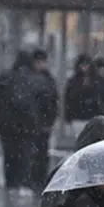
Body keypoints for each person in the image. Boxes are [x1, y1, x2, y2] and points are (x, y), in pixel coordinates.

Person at [0, 50, 41, 197]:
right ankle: (23, 183)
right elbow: (45, 101)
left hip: (7, 123)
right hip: (27, 123)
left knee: (9, 154)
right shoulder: (34, 78)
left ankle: (11, 184)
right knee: (25, 153)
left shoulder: (5, 77)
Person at [29, 48, 60, 193]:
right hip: (34, 123)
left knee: (41, 153)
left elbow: (53, 102)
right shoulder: (39, 80)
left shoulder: (47, 80)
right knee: (35, 153)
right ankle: (36, 180)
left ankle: (39, 180)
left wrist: (50, 121)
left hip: (42, 123)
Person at [64, 54, 103, 136]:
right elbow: (69, 99)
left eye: (87, 64)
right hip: (78, 115)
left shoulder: (96, 80)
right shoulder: (73, 81)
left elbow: (100, 96)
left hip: (92, 115)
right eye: (83, 65)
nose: (85, 67)